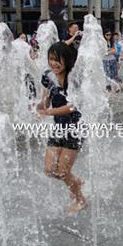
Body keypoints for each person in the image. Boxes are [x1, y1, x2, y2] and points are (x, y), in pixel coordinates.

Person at [36, 42, 87, 213]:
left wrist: (49, 112)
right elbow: (46, 99)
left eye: (58, 60)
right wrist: (39, 106)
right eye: (51, 59)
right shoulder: (48, 76)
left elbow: (73, 106)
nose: (54, 63)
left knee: (62, 172)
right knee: (50, 170)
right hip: (58, 128)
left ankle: (80, 200)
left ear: (67, 60)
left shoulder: (75, 78)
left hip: (75, 129)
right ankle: (76, 180)